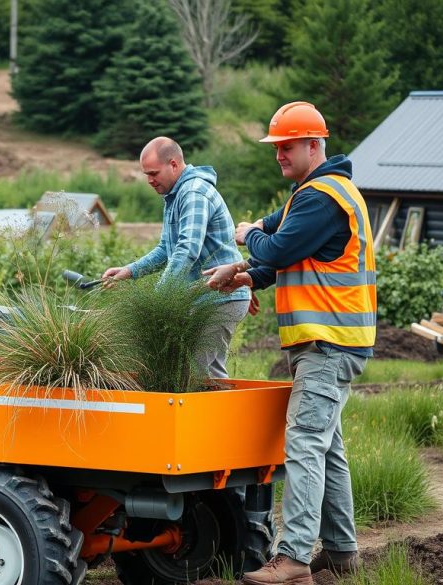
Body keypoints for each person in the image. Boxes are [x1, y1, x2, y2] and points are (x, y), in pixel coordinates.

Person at [204, 102, 376, 584]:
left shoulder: (322, 197)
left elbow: (275, 245)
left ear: (313, 144)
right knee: (327, 447)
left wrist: (248, 236)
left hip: (328, 341)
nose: (279, 154)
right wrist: (243, 276)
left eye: (287, 145)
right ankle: (340, 551)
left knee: (302, 445)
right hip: (331, 340)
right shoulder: (315, 193)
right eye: (276, 146)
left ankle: (294, 558)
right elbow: (289, 256)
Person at [102, 136, 249, 378]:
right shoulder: (174, 196)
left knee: (200, 374)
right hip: (201, 298)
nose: (149, 180)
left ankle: (216, 416)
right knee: (194, 373)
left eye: (153, 173)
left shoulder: (193, 193)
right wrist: (128, 271)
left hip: (220, 297)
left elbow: (187, 250)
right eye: (146, 174)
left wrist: (158, 297)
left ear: (173, 164)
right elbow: (165, 250)